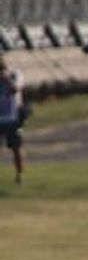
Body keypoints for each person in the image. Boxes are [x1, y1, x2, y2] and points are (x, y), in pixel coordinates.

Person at [0, 53, 30, 184]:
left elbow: (15, 89)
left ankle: (20, 175)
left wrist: (5, 77)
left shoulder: (14, 74)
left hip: (12, 118)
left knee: (16, 147)